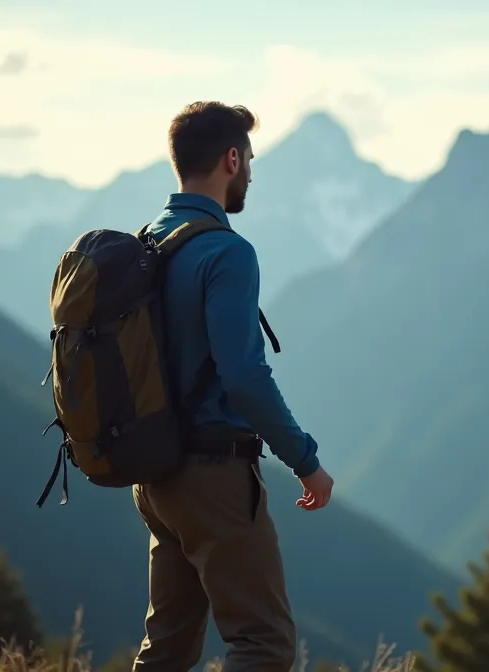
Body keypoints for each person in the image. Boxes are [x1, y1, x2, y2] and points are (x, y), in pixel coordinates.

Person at [130, 101, 334, 671]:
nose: (250, 173)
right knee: (263, 644)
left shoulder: (148, 240)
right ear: (231, 158)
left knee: (167, 647)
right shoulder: (226, 252)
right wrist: (305, 459)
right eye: (249, 160)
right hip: (213, 474)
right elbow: (243, 376)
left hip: (155, 476)